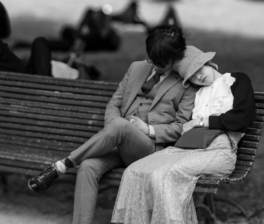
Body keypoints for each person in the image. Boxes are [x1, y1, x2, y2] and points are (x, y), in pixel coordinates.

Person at [28, 26, 198, 224]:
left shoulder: (187, 83)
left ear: (173, 58)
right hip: (119, 143)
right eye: (150, 57)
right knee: (88, 166)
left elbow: (181, 127)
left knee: (120, 126)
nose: (150, 63)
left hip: (151, 151)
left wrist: (148, 130)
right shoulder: (136, 68)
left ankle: (62, 165)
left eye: (157, 61)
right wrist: (112, 129)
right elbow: (114, 103)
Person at [111, 45, 256, 224]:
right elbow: (178, 124)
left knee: (164, 176)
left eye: (198, 69)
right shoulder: (196, 93)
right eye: (192, 77)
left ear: (207, 62)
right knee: (133, 171)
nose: (198, 77)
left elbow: (242, 119)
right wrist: (148, 128)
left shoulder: (237, 81)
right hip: (186, 148)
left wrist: (200, 122)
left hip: (219, 149)